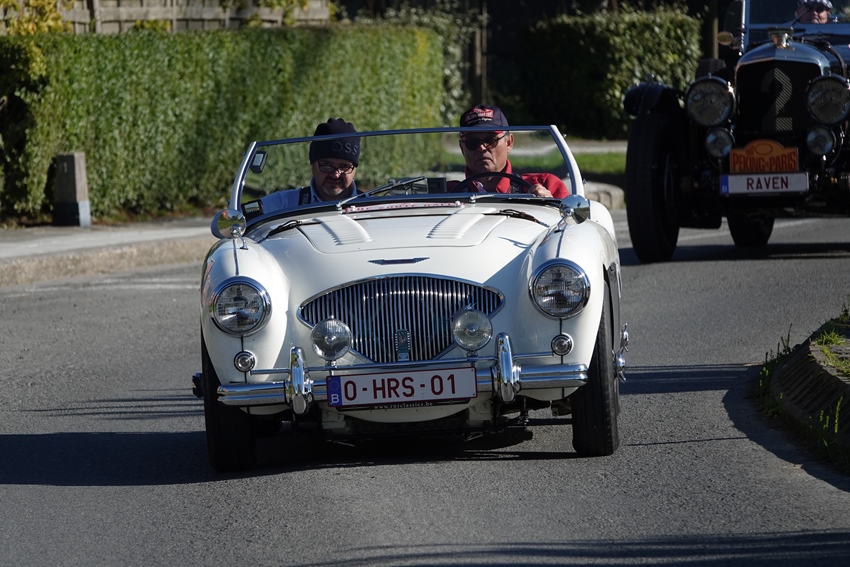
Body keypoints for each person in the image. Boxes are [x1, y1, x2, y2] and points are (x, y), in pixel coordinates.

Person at [244, 118, 361, 217]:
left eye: (344, 166)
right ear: (313, 164)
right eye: (327, 165)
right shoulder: (286, 203)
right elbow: (242, 214)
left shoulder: (370, 204)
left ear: (355, 169)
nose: (335, 174)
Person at [451, 104, 568, 198]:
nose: (482, 147)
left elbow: (570, 218)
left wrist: (549, 205)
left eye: (490, 140)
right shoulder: (448, 194)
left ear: (508, 143)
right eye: (472, 142)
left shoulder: (547, 185)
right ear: (462, 148)